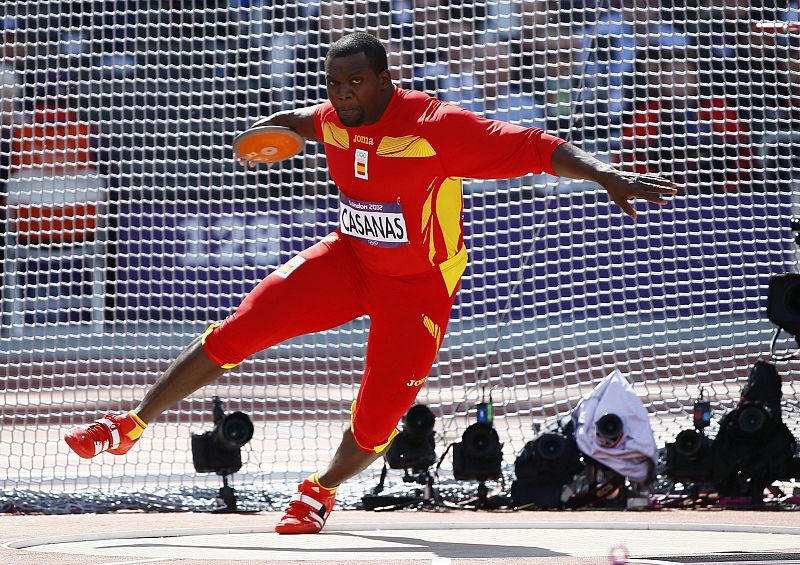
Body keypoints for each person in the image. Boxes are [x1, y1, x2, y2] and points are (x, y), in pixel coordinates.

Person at [64, 32, 677, 534]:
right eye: (334, 83)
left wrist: (605, 174)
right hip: (348, 260)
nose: (343, 94)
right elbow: (296, 123)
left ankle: (320, 491)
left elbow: (536, 146)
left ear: (386, 79)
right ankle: (129, 425)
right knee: (237, 331)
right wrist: (261, 138)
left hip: (416, 289)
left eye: (356, 82)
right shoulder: (334, 118)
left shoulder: (435, 127)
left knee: (379, 420)